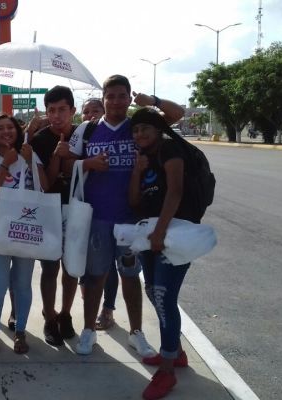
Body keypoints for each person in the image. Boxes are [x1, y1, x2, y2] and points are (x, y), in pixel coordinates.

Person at [65, 75, 184, 358]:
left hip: (132, 219)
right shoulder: (87, 129)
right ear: (103, 99)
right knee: (95, 277)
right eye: (111, 96)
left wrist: (152, 101)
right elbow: (66, 164)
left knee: (130, 276)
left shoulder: (139, 128)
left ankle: (136, 333)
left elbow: (177, 114)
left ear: (130, 98)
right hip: (96, 217)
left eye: (122, 96)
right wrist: (88, 163)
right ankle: (89, 331)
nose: (116, 101)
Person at [128, 107, 192, 400]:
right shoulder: (144, 156)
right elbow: (134, 201)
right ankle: (175, 351)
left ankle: (167, 371)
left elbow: (175, 191)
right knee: (153, 291)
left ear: (158, 129)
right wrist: (137, 171)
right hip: (151, 235)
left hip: (173, 235)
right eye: (135, 130)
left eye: (145, 128)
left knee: (164, 296)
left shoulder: (169, 149)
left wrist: (161, 232)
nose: (140, 134)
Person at [0, 114, 47, 355]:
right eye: (0, 128)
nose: (6, 132)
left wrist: (30, 161)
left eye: (10, 128)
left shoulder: (29, 153)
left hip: (25, 229)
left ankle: (21, 330)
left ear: (18, 131)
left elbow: (45, 186)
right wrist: (6, 163)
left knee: (23, 284)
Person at [28, 85, 79, 346]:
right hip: (49, 209)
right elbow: (45, 184)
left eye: (62, 110)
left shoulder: (84, 135)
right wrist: (58, 156)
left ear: (73, 110)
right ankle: (49, 317)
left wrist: (71, 155)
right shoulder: (39, 140)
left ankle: (66, 314)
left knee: (72, 267)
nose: (57, 115)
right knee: (50, 267)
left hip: (78, 208)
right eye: (51, 110)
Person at [77, 98, 118, 331]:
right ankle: (90, 305)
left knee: (108, 265)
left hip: (110, 210)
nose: (90, 114)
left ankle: (108, 309)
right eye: (86, 111)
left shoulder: (114, 133)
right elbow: (69, 162)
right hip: (84, 208)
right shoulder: (82, 133)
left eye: (95, 110)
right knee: (84, 261)